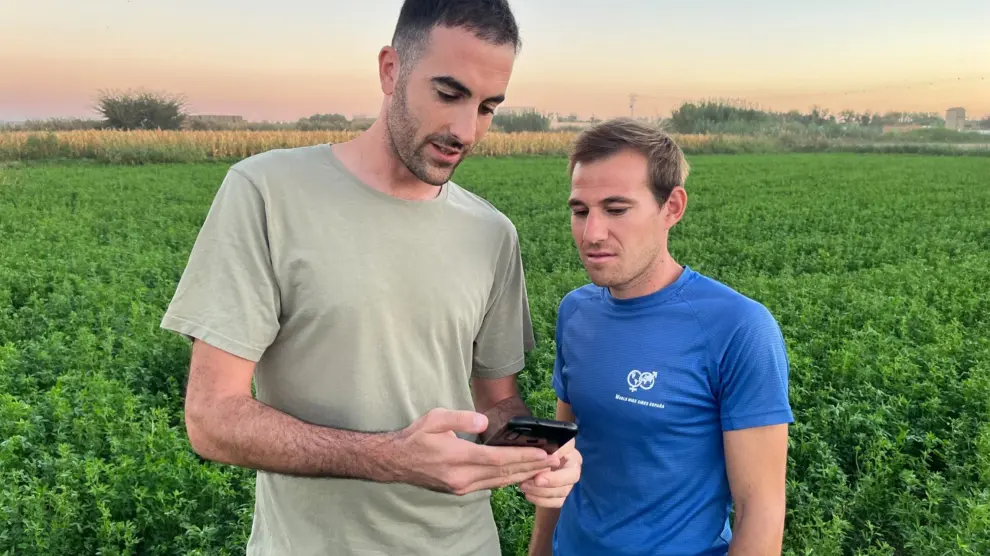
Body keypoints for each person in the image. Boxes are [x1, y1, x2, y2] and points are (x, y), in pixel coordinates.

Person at [159, 1, 581, 554]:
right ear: (390, 70)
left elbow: (497, 403)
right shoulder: (268, 192)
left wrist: (540, 455)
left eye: (486, 107)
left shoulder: (492, 233)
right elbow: (212, 417)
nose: (466, 130)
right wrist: (391, 457)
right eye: (448, 94)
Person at [525, 118, 793, 556]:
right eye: (580, 211)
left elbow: (759, 508)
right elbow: (564, 450)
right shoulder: (576, 311)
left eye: (616, 209)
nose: (592, 233)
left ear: (672, 207)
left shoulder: (738, 327)